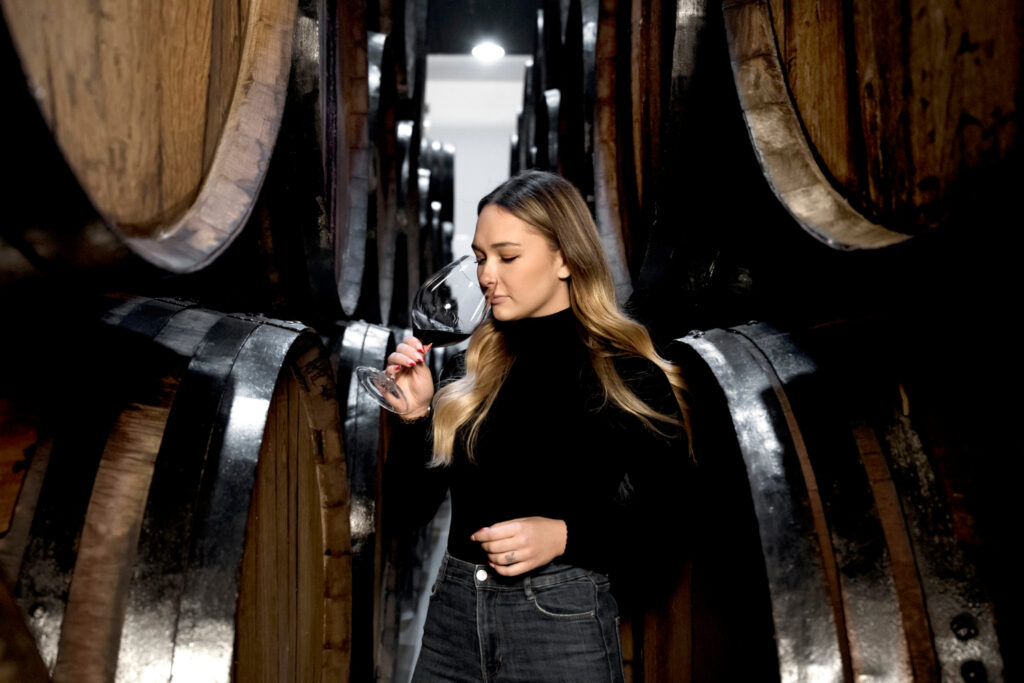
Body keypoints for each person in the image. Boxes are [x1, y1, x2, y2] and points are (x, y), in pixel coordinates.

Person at [384, 170, 693, 682]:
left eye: (507, 257)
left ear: (565, 259)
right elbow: (406, 511)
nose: (487, 275)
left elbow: (671, 524)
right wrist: (415, 416)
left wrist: (567, 535)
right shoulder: (470, 369)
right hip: (453, 619)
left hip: (560, 623)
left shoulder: (624, 373)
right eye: (480, 257)